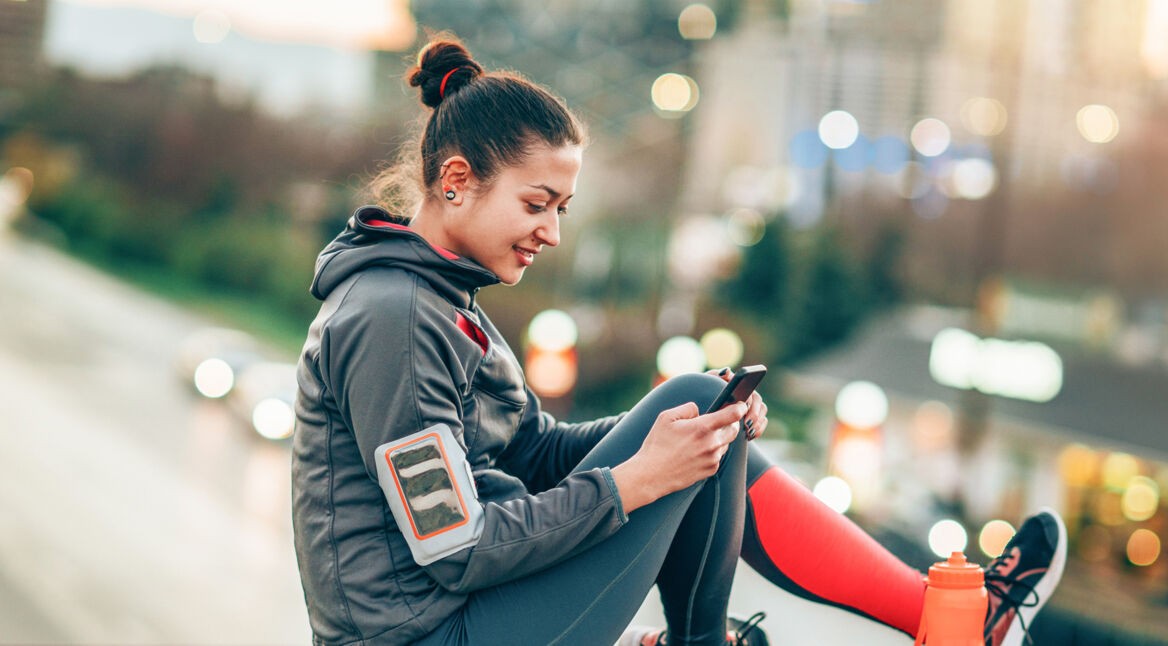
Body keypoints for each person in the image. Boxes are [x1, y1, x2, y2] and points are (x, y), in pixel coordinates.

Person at [290, 34, 1066, 646]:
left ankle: (954, 621)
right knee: (693, 411)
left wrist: (675, 442)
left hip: (468, 611)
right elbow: (454, 545)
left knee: (700, 408)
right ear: (456, 180)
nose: (552, 233)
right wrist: (635, 481)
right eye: (538, 203)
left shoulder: (444, 301)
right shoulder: (391, 318)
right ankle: (951, 621)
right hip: (430, 633)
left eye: (562, 207)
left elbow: (529, 453)